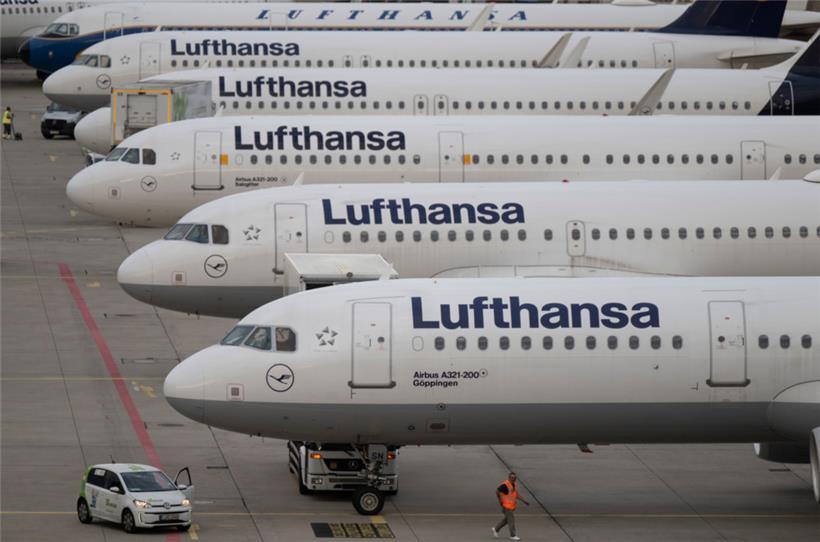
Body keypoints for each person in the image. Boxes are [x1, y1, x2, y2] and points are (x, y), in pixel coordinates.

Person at [492, 472, 529, 540]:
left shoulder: (513, 484)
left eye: (514, 478)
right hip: (506, 506)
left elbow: (516, 494)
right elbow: (497, 491)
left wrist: (524, 501)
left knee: (507, 520)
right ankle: (513, 535)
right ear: (509, 478)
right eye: (511, 478)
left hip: (511, 506)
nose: (513, 479)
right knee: (511, 520)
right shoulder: (505, 485)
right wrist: (500, 501)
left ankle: (496, 529)